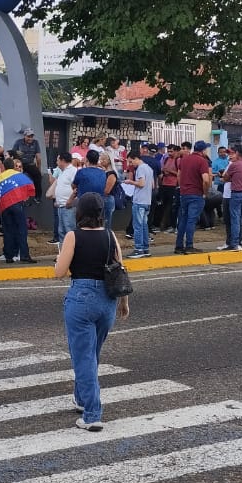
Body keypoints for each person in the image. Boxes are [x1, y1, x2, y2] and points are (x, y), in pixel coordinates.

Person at [54, 193, 130, 432]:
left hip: (82, 296)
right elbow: (120, 270)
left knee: (82, 356)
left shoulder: (73, 236)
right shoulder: (110, 236)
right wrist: (123, 301)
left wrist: (60, 256)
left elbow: (59, 271)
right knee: (91, 354)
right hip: (106, 299)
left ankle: (92, 413)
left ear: (80, 212)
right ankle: (81, 398)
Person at [0, 156, 37, 263]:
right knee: (21, 231)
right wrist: (26, 196)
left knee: (8, 231)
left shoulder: (0, 177)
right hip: (17, 204)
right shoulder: (19, 175)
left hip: (4, 206)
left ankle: (9, 256)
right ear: (13, 166)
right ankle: (24, 255)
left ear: (4, 166)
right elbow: (31, 186)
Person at [174, 141, 212, 254]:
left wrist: (182, 187)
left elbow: (178, 175)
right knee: (192, 220)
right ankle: (189, 245)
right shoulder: (202, 161)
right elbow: (205, 179)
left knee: (183, 219)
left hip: (184, 193)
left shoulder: (184, 159)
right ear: (203, 150)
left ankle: (179, 245)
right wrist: (205, 192)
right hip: (196, 193)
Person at [125, 152, 154, 258]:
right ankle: (145, 248)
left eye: (131, 161)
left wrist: (130, 182)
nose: (130, 164)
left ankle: (138, 249)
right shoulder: (149, 168)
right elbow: (152, 185)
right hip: (147, 200)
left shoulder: (141, 169)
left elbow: (141, 184)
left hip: (139, 200)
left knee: (137, 226)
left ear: (136, 158)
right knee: (144, 226)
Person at [52, 152, 78, 248]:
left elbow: (76, 188)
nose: (56, 162)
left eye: (58, 160)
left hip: (69, 206)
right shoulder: (63, 172)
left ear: (63, 160)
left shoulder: (73, 171)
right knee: (62, 232)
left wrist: (70, 200)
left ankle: (72, 254)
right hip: (61, 206)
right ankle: (63, 255)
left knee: (69, 231)